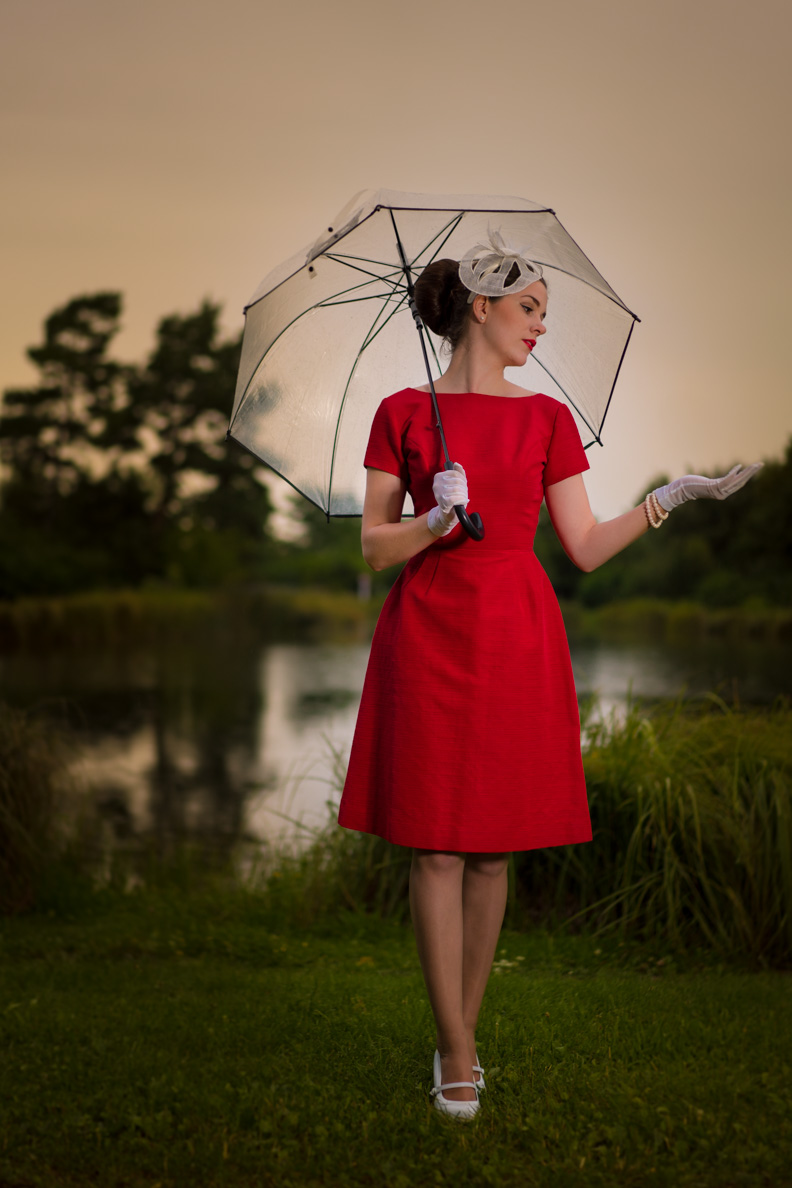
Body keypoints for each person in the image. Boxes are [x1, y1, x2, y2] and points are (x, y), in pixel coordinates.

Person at [336, 233, 761, 1120]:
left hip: (517, 630)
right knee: (436, 843)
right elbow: (375, 549)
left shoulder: (547, 421)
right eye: (529, 308)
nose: (539, 327)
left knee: (492, 849)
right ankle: (454, 1049)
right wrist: (435, 520)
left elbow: (586, 548)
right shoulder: (400, 412)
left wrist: (665, 500)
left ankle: (465, 1035)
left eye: (544, 313)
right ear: (481, 307)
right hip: (428, 627)